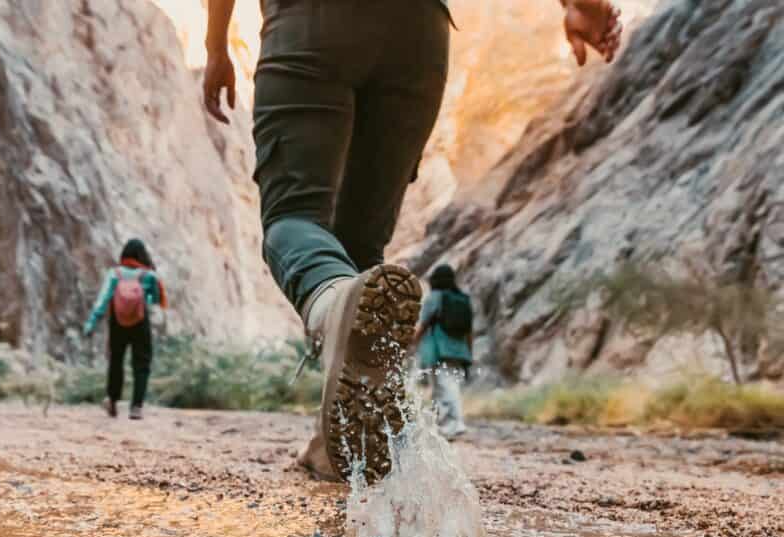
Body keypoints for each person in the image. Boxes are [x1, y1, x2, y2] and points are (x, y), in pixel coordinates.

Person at [203, 0, 622, 483]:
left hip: (311, 26)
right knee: (359, 255)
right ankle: (339, 442)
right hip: (418, 36)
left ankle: (330, 310)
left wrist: (217, 46)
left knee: (293, 220)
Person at [84, 239, 167, 421]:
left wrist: (91, 323)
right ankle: (136, 406)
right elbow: (155, 300)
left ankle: (113, 401)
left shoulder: (115, 274)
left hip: (117, 322)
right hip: (140, 321)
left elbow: (103, 299)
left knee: (116, 360)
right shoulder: (149, 275)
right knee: (142, 363)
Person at [412, 264, 474, 440]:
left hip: (438, 350)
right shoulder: (463, 299)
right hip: (459, 350)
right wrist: (469, 352)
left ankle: (454, 425)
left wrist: (410, 344)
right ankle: (445, 426)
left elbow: (422, 325)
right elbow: (469, 331)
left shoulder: (435, 298)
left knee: (444, 387)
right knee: (450, 386)